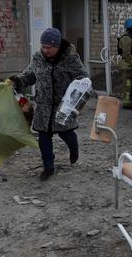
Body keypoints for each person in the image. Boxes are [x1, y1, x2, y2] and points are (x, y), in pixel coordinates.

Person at [10, 27, 88, 181]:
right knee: (43, 137)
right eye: (43, 46)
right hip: (43, 106)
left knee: (67, 134)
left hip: (63, 106)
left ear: (57, 46)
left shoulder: (71, 59)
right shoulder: (38, 58)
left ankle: (74, 147)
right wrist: (16, 81)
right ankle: (48, 167)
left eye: (49, 47)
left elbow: (83, 78)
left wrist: (75, 96)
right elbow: (30, 75)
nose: (45, 50)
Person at [118, 18, 132, 109]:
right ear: (129, 27)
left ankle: (129, 101)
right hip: (127, 66)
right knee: (128, 86)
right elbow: (127, 54)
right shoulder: (126, 38)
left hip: (130, 65)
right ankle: (127, 104)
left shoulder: (130, 37)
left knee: (131, 85)